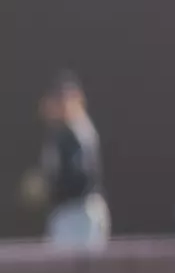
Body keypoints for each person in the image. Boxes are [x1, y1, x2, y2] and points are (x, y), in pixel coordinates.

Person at [18, 71, 110, 248]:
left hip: (80, 213)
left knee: (80, 271)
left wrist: (48, 185)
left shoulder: (78, 132)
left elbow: (80, 178)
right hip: (65, 213)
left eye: (63, 99)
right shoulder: (60, 133)